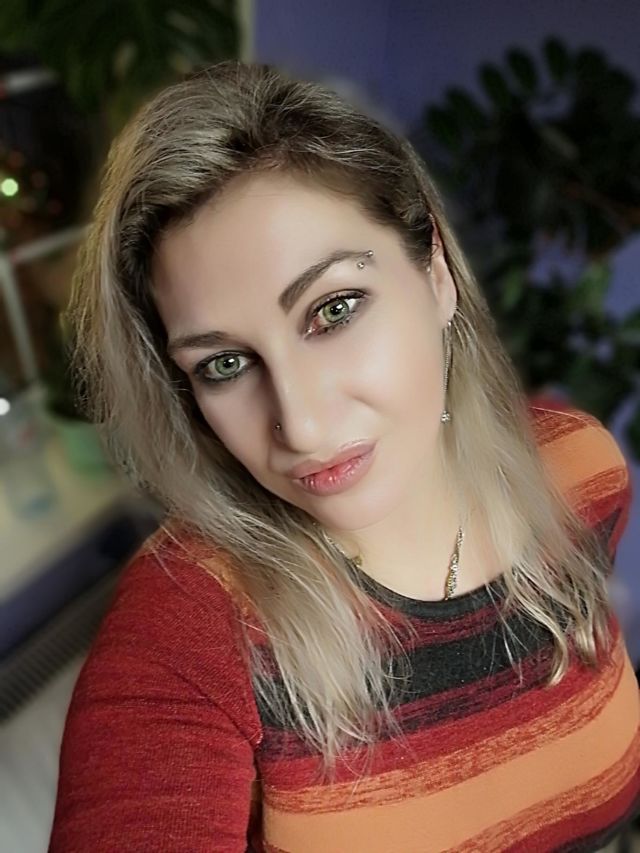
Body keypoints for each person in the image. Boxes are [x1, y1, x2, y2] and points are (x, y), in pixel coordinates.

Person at [48, 60, 637, 852]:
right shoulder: (187, 630)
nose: (301, 424)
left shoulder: (581, 468)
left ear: (435, 275)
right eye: (226, 363)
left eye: (333, 309)